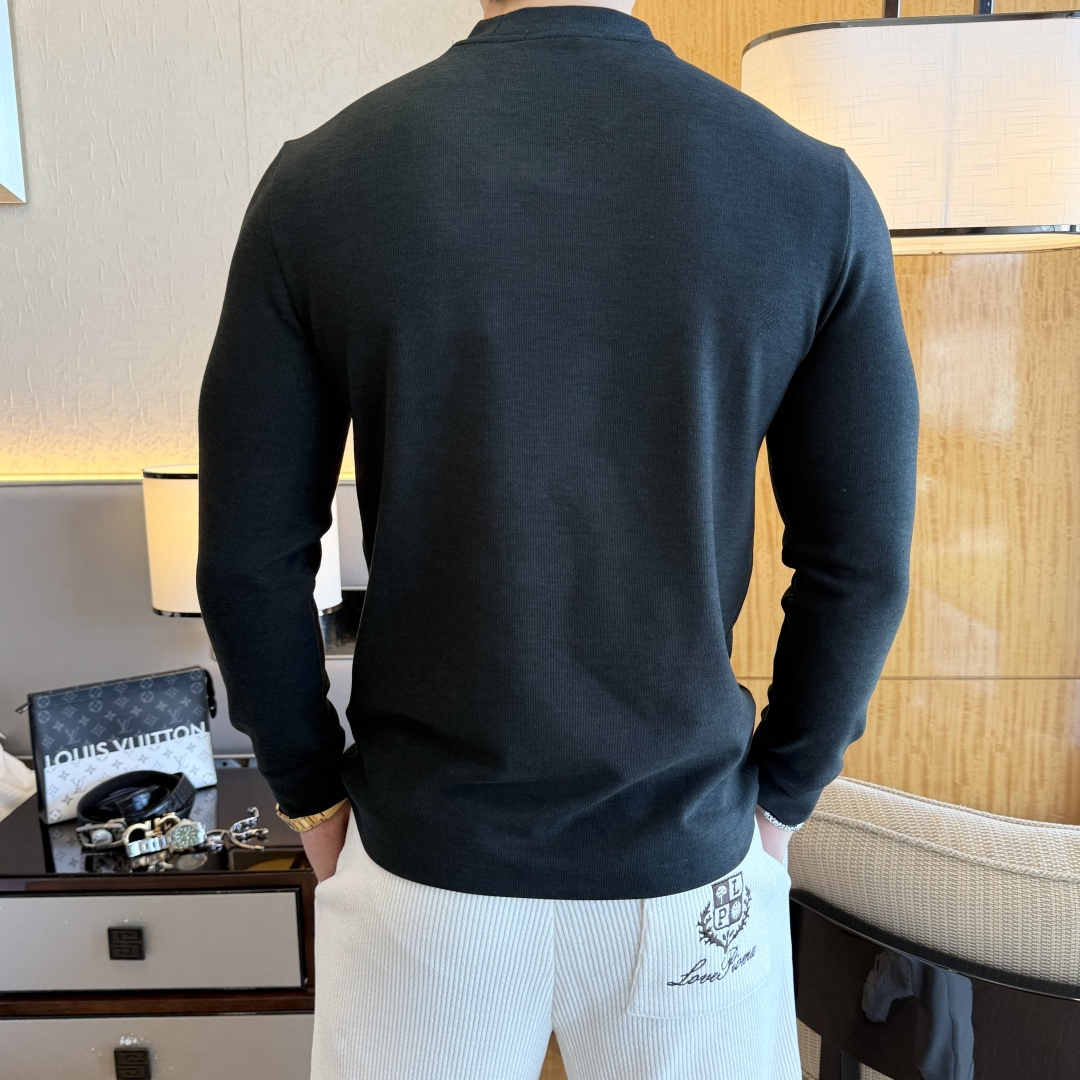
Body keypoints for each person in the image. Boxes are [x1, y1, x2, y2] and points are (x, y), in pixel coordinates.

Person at [196, 1, 920, 1077]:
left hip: (423, 870)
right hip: (690, 869)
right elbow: (861, 565)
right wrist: (783, 798)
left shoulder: (320, 183)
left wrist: (309, 793)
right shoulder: (812, 190)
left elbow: (248, 561)